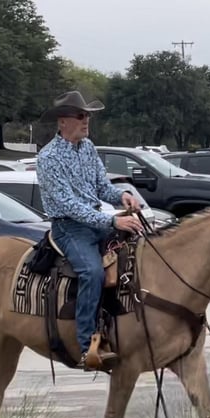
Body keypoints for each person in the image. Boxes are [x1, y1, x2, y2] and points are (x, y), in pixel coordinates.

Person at [36, 91, 144, 368]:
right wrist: (112, 221)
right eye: (81, 116)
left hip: (94, 221)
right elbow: (68, 205)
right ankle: (86, 346)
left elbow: (100, 187)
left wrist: (121, 197)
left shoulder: (88, 147)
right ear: (63, 121)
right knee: (92, 272)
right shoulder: (48, 158)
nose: (87, 121)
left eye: (88, 116)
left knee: (137, 253)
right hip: (69, 228)